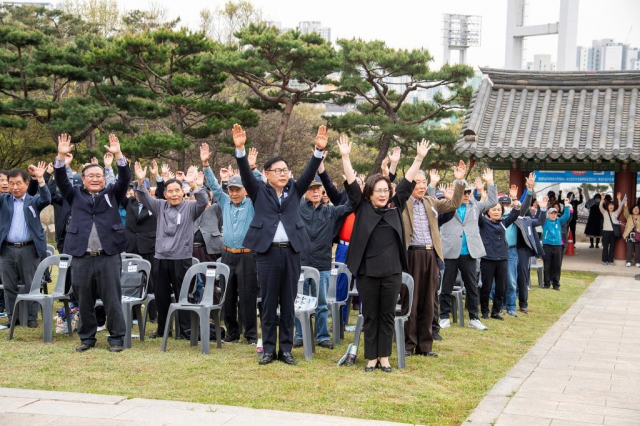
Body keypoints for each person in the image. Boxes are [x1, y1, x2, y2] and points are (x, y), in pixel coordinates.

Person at [234, 123, 328, 366]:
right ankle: (268, 350)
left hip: (291, 253)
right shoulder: (258, 191)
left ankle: (285, 349)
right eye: (278, 170)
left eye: (286, 170)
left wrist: (318, 151)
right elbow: (245, 174)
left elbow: (309, 172)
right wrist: (241, 150)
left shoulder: (296, 190)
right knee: (267, 302)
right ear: (266, 174)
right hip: (266, 254)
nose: (284, 174)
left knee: (288, 301)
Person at [339, 135, 429, 373]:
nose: (382, 194)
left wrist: (418, 158)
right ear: (369, 193)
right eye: (377, 191)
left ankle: (384, 357)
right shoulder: (362, 206)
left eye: (385, 190)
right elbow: (350, 182)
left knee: (387, 314)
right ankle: (371, 357)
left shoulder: (395, 205)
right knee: (370, 314)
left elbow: (408, 182)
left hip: (391, 271)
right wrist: (345, 157)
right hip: (367, 271)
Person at [54, 133, 131, 352]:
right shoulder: (74, 194)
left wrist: (118, 156)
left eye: (99, 175)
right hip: (81, 256)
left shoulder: (113, 194)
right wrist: (60, 156)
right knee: (84, 300)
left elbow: (125, 178)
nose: (95, 179)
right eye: (90, 176)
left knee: (112, 299)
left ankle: (116, 338)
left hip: (108, 256)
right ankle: (87, 338)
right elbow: (60, 178)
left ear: (104, 179)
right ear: (83, 179)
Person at [134, 162, 208, 339]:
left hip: (181, 258)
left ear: (182, 192)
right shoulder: (160, 206)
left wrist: (192, 184)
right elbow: (143, 197)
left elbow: (204, 201)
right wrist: (140, 180)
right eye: (170, 191)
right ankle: (163, 329)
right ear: (165, 194)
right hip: (160, 258)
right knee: (161, 296)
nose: (174, 194)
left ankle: (185, 330)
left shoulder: (190, 207)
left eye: (177, 190)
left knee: (183, 296)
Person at [401, 165, 465, 358]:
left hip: (431, 255)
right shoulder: (403, 202)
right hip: (412, 254)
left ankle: (425, 345)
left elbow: (454, 204)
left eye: (424, 183)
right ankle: (408, 344)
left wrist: (459, 181)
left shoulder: (431, 202)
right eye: (417, 182)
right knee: (410, 300)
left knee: (429, 300)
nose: (421, 186)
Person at [201, 143, 261, 345]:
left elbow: (259, 186)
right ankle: (232, 332)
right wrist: (206, 164)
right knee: (228, 295)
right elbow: (215, 187)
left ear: (245, 190)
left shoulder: (253, 203)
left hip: (247, 255)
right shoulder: (225, 201)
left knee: (248, 296)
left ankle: (251, 334)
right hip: (227, 255)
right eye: (231, 190)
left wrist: (252, 169)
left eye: (237, 190)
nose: (234, 193)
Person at [294, 177, 352, 350]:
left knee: (321, 304)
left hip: (323, 265)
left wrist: (350, 184)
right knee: (300, 303)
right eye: (311, 188)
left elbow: (351, 205)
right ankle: (300, 335)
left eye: (318, 188)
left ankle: (322, 336)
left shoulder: (331, 212)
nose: (316, 191)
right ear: (306, 191)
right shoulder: (296, 210)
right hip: (301, 264)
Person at [439, 171, 497, 331]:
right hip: (450, 250)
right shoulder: (447, 205)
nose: (465, 195)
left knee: (472, 286)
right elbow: (431, 204)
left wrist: (490, 182)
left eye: (468, 192)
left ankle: (474, 318)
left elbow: (492, 201)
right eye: (463, 192)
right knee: (446, 286)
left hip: (469, 252)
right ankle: (444, 316)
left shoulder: (475, 206)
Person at [1, 163, 50, 327]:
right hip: (7, 249)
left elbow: (47, 199)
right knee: (9, 286)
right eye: (11, 184)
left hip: (29, 248)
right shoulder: (4, 200)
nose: (15, 187)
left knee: (32, 285)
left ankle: (31, 319)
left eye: (18, 183)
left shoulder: (33, 200)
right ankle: (12, 318)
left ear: (26, 184)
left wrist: (41, 179)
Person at [122, 160, 161, 323]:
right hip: (131, 246)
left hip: (148, 247)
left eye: (140, 191)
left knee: (150, 280)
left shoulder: (153, 205)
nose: (137, 194)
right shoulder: (129, 203)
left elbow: (162, 192)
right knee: (131, 279)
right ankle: (133, 313)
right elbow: (117, 194)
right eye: (135, 191)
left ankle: (153, 314)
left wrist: (157, 176)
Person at [478, 192, 524, 320]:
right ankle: (485, 311)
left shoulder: (504, 222)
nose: (497, 212)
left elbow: (515, 213)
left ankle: (495, 311)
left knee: (500, 287)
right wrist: (482, 196)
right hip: (487, 259)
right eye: (494, 209)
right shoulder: (483, 222)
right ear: (488, 212)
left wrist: (514, 198)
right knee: (486, 287)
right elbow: (476, 212)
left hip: (502, 258)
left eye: (499, 209)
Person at [514, 195, 547, 313]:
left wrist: (542, 209)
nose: (517, 208)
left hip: (522, 251)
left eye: (519, 206)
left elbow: (540, 221)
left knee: (523, 278)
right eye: (514, 206)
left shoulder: (527, 220)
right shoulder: (506, 218)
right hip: (508, 251)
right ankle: (506, 303)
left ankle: (523, 304)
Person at [541, 199, 572, 290]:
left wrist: (566, 205)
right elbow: (541, 216)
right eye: (551, 213)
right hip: (547, 245)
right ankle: (546, 283)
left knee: (557, 265)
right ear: (548, 214)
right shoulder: (545, 221)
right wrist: (543, 206)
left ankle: (556, 284)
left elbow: (567, 215)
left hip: (558, 245)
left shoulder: (559, 221)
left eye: (555, 213)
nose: (553, 215)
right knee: (547, 265)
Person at [599, 193, 625, 265]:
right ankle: (604, 260)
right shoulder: (605, 212)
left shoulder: (616, 213)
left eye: (612, 205)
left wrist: (619, 199)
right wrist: (602, 199)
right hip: (606, 232)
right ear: (607, 206)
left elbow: (620, 207)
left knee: (612, 247)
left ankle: (611, 260)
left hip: (613, 232)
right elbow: (600, 207)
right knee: (605, 246)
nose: (611, 206)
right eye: (610, 205)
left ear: (614, 207)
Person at [623, 203, 640, 267]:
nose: (636, 209)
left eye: (637, 208)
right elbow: (625, 213)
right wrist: (625, 205)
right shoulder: (629, 216)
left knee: (638, 249)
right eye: (634, 208)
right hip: (629, 234)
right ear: (632, 210)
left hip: (638, 235)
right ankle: (628, 261)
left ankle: (638, 262)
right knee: (629, 249)